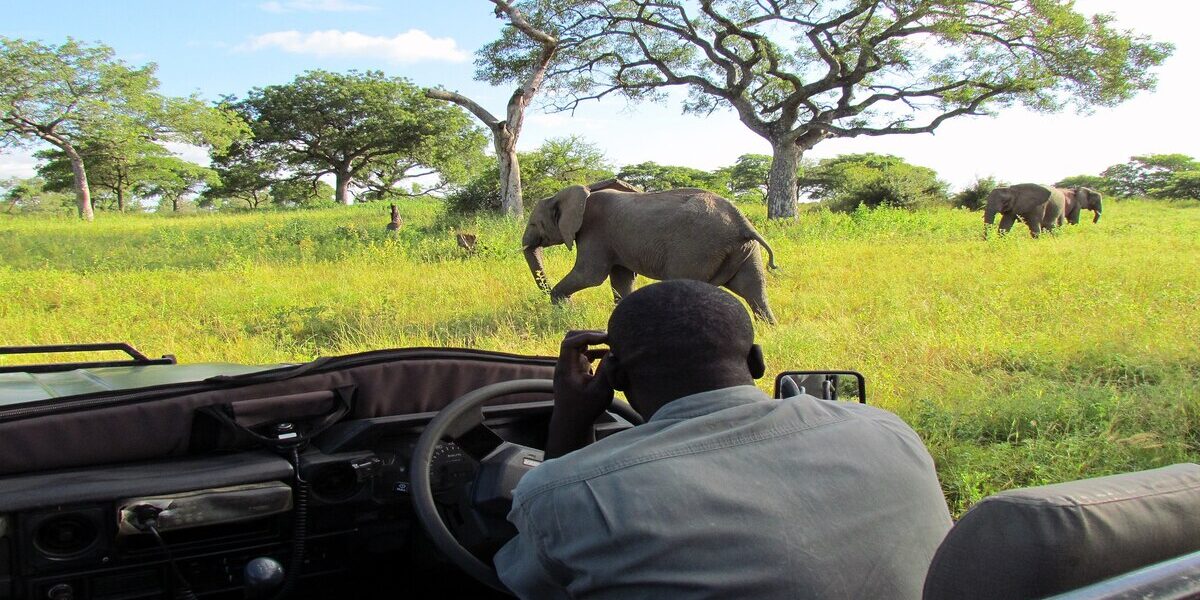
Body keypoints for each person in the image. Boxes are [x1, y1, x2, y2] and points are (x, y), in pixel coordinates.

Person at [493, 280, 952, 599]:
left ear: (615, 375)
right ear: (756, 362)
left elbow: (535, 584)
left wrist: (569, 421)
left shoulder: (564, 496)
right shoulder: (886, 428)